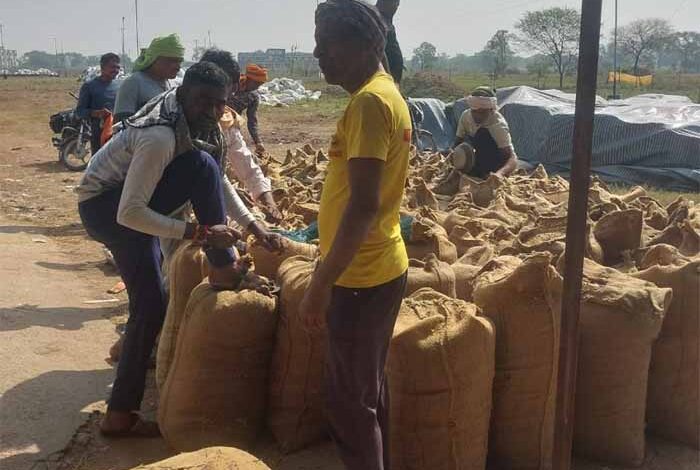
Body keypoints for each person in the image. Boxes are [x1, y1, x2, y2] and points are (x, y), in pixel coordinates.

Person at [77, 62, 280, 437]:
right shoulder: (160, 137)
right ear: (183, 93)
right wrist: (200, 233)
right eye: (203, 100)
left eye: (219, 103)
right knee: (200, 166)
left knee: (150, 305)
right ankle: (223, 268)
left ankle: (119, 415)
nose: (212, 111)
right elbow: (129, 213)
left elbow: (215, 182)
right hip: (105, 206)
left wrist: (254, 225)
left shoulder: (196, 126)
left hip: (125, 205)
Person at [299, 2, 410, 469]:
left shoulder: (369, 103)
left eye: (327, 44)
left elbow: (363, 205)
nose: (318, 54)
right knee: (366, 390)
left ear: (364, 45)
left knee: (349, 403)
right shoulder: (384, 93)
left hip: (360, 276)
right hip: (377, 266)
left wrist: (320, 284)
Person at [199, 49, 282, 222]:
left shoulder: (227, 120)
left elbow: (244, 162)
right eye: (221, 96)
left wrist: (267, 199)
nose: (222, 106)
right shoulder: (168, 120)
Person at [435, 86, 518, 194]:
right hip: (475, 159)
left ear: (491, 109)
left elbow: (512, 158)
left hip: (495, 163)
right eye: (474, 111)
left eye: (482, 112)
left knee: (482, 134)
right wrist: (451, 155)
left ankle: (483, 175)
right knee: (462, 151)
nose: (477, 116)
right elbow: (457, 142)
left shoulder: (498, 125)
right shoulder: (466, 116)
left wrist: (500, 174)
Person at [113, 34, 185, 123]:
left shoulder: (177, 85)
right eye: (173, 61)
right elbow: (120, 124)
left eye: (180, 61)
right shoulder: (133, 83)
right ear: (154, 60)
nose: (178, 67)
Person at [76, 53, 121, 154]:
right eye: (112, 67)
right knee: (99, 161)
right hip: (98, 134)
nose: (116, 70)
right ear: (102, 67)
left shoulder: (120, 86)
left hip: (118, 133)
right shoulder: (89, 86)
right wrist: (97, 113)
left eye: (118, 67)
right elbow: (80, 111)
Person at [229, 63, 267, 156]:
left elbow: (252, 120)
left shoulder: (253, 96)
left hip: (233, 124)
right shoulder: (231, 85)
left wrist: (258, 142)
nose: (257, 87)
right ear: (249, 79)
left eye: (260, 84)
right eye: (256, 83)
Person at [376, 0, 404, 84]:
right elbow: (378, 52)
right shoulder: (376, 20)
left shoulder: (387, 22)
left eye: (397, 3)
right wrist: (388, 80)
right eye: (394, 2)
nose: (397, 6)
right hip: (383, 80)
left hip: (390, 80)